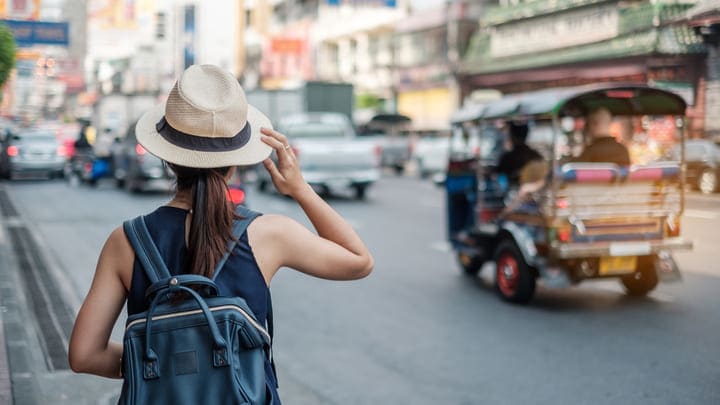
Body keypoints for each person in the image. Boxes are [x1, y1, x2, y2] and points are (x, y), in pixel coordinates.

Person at [67, 65, 374, 403]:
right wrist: (300, 189)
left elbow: (84, 356)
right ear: (236, 161)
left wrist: (168, 363)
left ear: (169, 160)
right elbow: (358, 262)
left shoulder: (125, 241)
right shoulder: (268, 234)